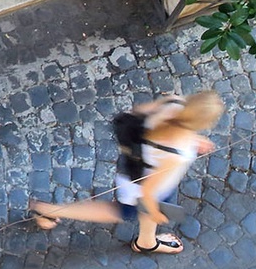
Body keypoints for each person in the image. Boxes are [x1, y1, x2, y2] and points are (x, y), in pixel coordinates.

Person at [27, 90, 223, 255]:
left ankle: (146, 242)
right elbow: (148, 193)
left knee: (145, 208)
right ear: (203, 124)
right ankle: (44, 209)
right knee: (119, 212)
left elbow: (138, 113)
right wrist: (156, 214)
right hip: (143, 186)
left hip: (133, 165)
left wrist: (192, 139)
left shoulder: (173, 102)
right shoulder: (177, 154)